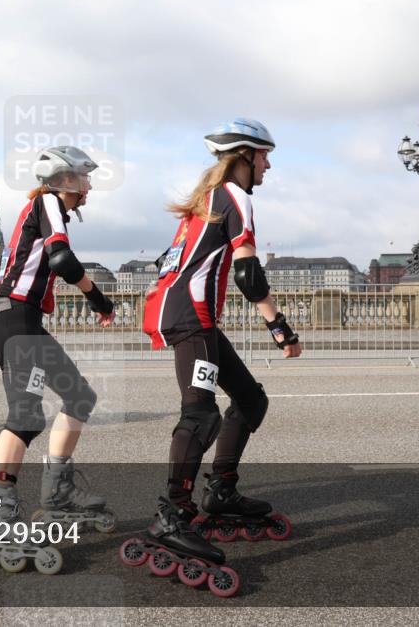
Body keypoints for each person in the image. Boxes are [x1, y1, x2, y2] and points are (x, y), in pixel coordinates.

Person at [142, 118, 301, 557]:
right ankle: (172, 513)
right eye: (264, 155)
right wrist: (279, 327)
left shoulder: (205, 201)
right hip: (191, 317)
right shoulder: (234, 196)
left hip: (191, 316)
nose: (268, 165)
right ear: (244, 157)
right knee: (201, 416)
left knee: (251, 400)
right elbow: (248, 272)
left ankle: (222, 493)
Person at [0, 146, 117, 569]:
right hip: (18, 323)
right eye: (84, 178)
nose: (88, 187)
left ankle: (58, 489)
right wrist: (100, 300)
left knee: (80, 397)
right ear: (65, 180)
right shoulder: (46, 201)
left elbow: (2, 272)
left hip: (19, 322)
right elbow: (61, 259)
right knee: (26, 417)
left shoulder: (43, 212)